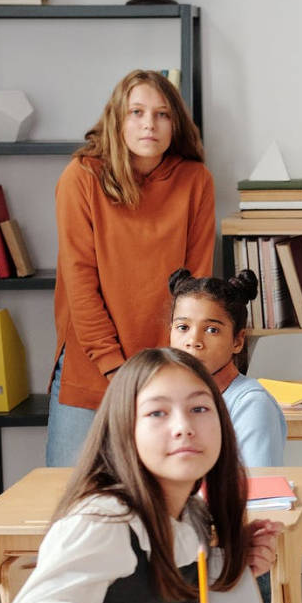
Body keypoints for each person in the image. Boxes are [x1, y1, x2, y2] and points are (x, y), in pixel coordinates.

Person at [5, 348, 281, 603]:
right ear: (124, 429)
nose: (183, 427)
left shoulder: (191, 514)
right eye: (157, 413)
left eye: (199, 408)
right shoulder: (105, 518)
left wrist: (231, 559)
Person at [48, 70, 215, 467]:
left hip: (165, 370)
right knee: (71, 508)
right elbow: (80, 286)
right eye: (136, 112)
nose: (148, 124)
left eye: (161, 114)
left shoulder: (195, 181)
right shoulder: (82, 178)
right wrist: (117, 371)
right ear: (117, 120)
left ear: (175, 123)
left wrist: (170, 371)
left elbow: (195, 292)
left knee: (164, 505)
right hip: (92, 369)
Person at [167, 268, 287, 468]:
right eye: (183, 327)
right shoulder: (162, 396)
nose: (194, 341)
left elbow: (258, 492)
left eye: (212, 330)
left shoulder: (251, 404)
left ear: (238, 341)